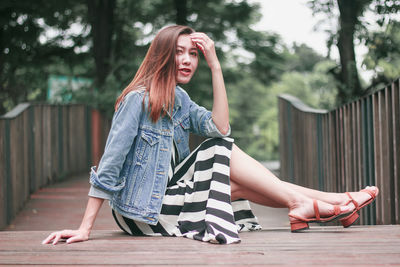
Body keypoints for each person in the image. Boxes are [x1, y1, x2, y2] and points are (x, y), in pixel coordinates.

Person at [42, 25, 379, 245]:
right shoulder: (138, 100)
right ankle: (317, 203)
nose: (187, 60)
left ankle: (330, 202)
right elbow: (110, 163)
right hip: (141, 213)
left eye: (193, 54)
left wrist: (216, 66)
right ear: (162, 55)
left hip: (168, 199)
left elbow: (220, 127)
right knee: (218, 151)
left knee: (234, 180)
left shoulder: (181, 100)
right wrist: (85, 228)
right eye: (179, 52)